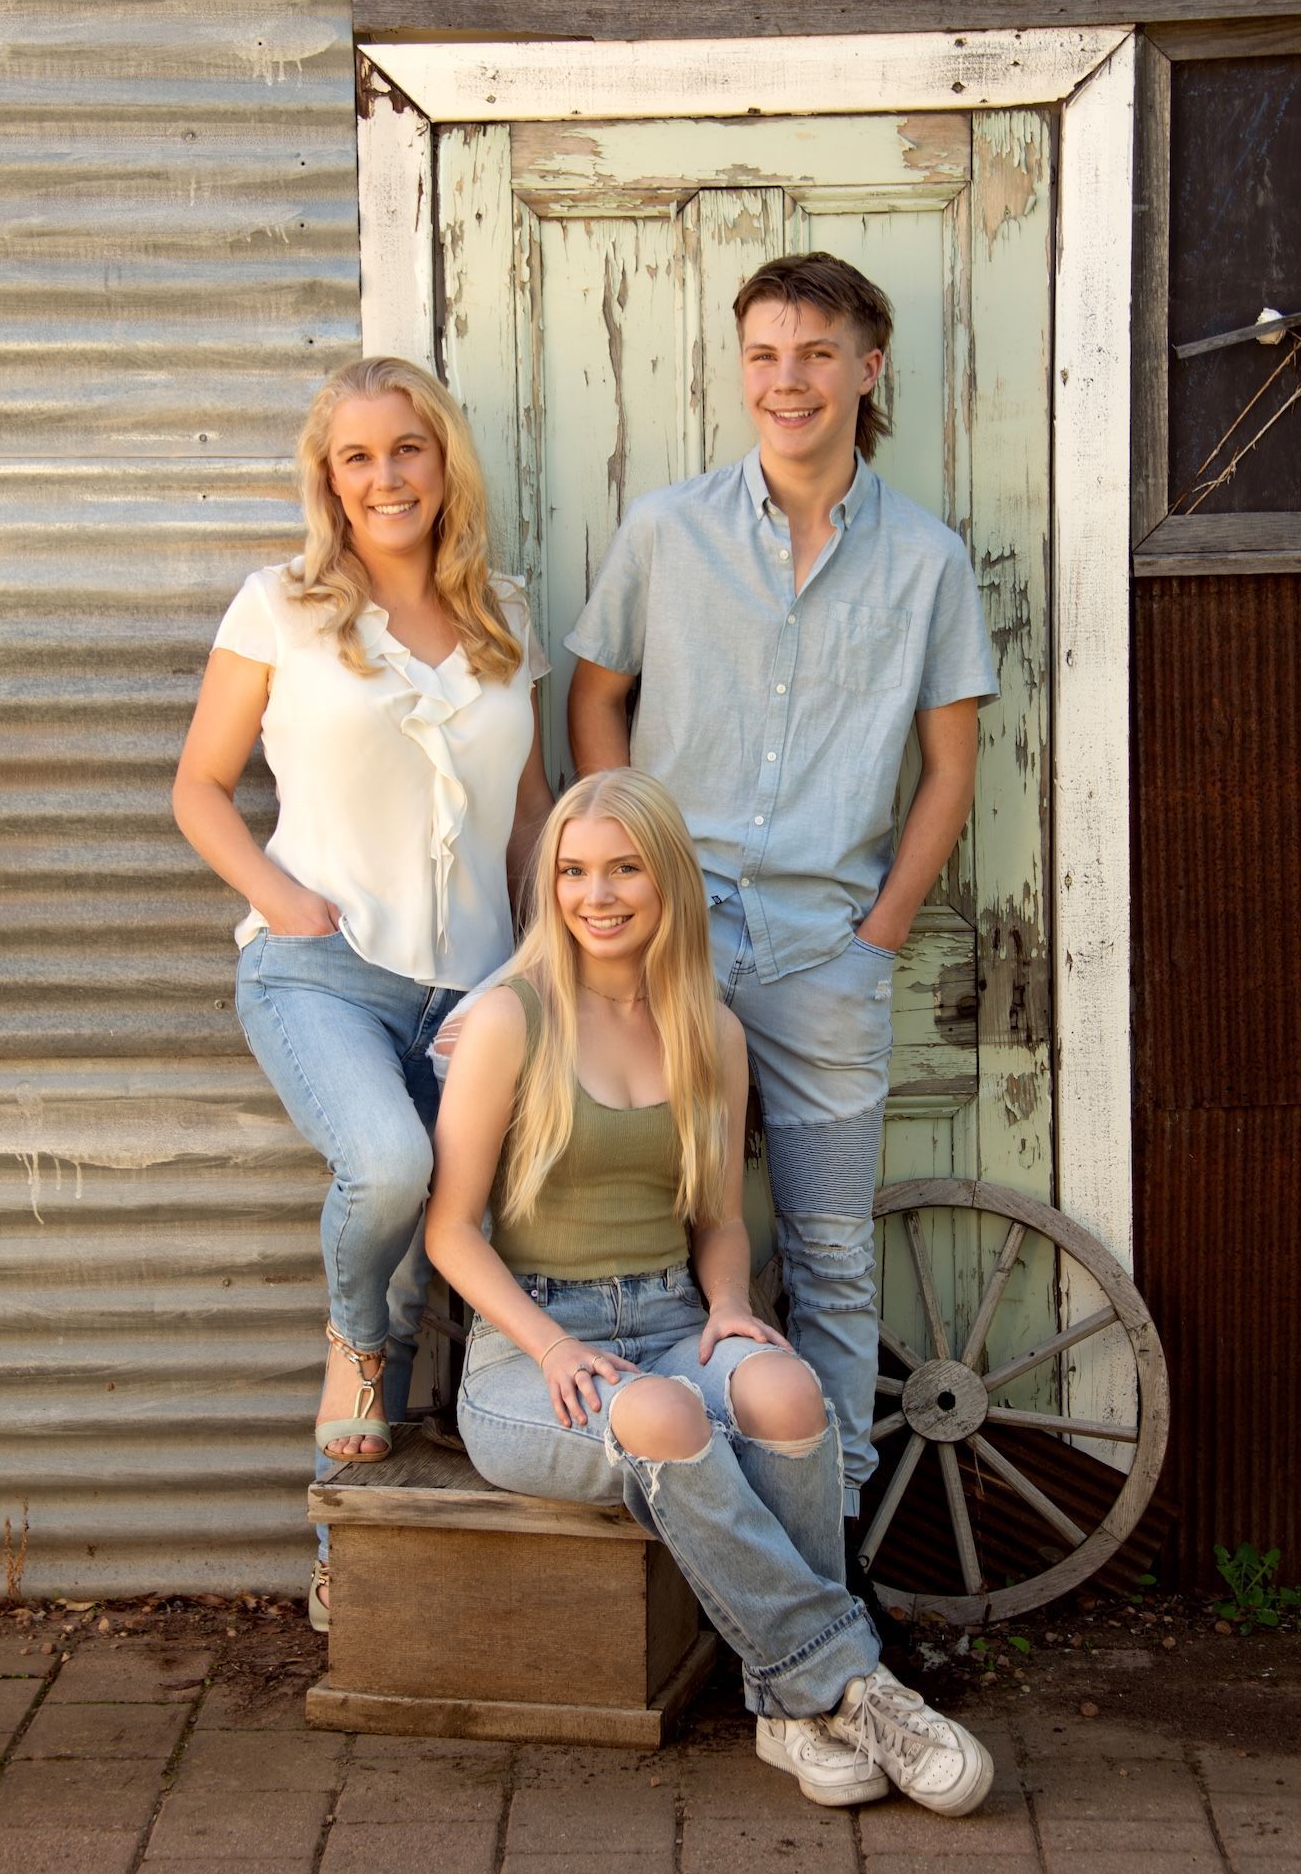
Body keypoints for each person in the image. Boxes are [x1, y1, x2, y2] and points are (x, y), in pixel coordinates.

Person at [425, 769, 993, 1814]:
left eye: (624, 869)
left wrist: (731, 1304)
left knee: (783, 1391)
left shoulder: (710, 1032)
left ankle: (787, 1713)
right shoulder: (511, 1019)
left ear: (667, 881)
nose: (597, 895)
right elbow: (448, 1230)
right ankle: (852, 1686)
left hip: (676, 1318)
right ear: (548, 886)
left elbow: (718, 1220)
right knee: (660, 1412)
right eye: (573, 871)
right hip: (530, 1354)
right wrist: (551, 1347)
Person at [565, 252, 999, 1575]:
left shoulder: (924, 561)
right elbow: (595, 704)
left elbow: (952, 771)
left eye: (816, 354)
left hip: (825, 951)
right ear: (741, 370)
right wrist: (612, 881)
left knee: (828, 1251)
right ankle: (661, 1519)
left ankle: (832, 1560)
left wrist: (877, 941)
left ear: (868, 371)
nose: (787, 379)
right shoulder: (665, 531)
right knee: (632, 1218)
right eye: (764, 354)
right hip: (662, 946)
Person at [173, 356, 552, 1627]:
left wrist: (544, 959)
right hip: (320, 972)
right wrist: (283, 901)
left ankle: (364, 1575)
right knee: (386, 1177)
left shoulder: (504, 614)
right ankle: (355, 1356)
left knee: (455, 1246)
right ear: (327, 479)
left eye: (407, 450)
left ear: (444, 465)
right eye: (357, 456)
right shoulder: (277, 606)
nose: (384, 476)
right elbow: (199, 789)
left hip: (477, 993)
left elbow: (527, 816)